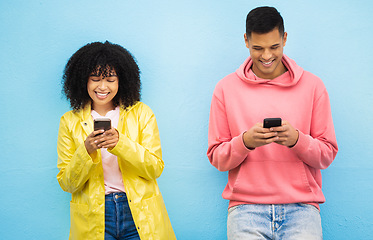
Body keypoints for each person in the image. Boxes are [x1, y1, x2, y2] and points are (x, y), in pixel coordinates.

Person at [207, 6, 338, 239]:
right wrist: (245, 142)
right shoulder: (225, 89)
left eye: (274, 47)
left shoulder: (313, 86)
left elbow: (327, 154)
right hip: (245, 209)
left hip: (302, 209)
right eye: (258, 48)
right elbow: (217, 158)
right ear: (246, 40)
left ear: (285, 38)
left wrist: (297, 140)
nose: (266, 56)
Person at [57, 41, 176, 240]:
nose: (102, 87)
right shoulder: (69, 121)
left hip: (137, 211)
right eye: (95, 78)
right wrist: (85, 151)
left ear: (122, 81)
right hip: (95, 214)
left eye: (110, 79)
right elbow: (67, 183)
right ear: (82, 80)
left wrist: (121, 144)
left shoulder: (142, 114)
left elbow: (155, 168)